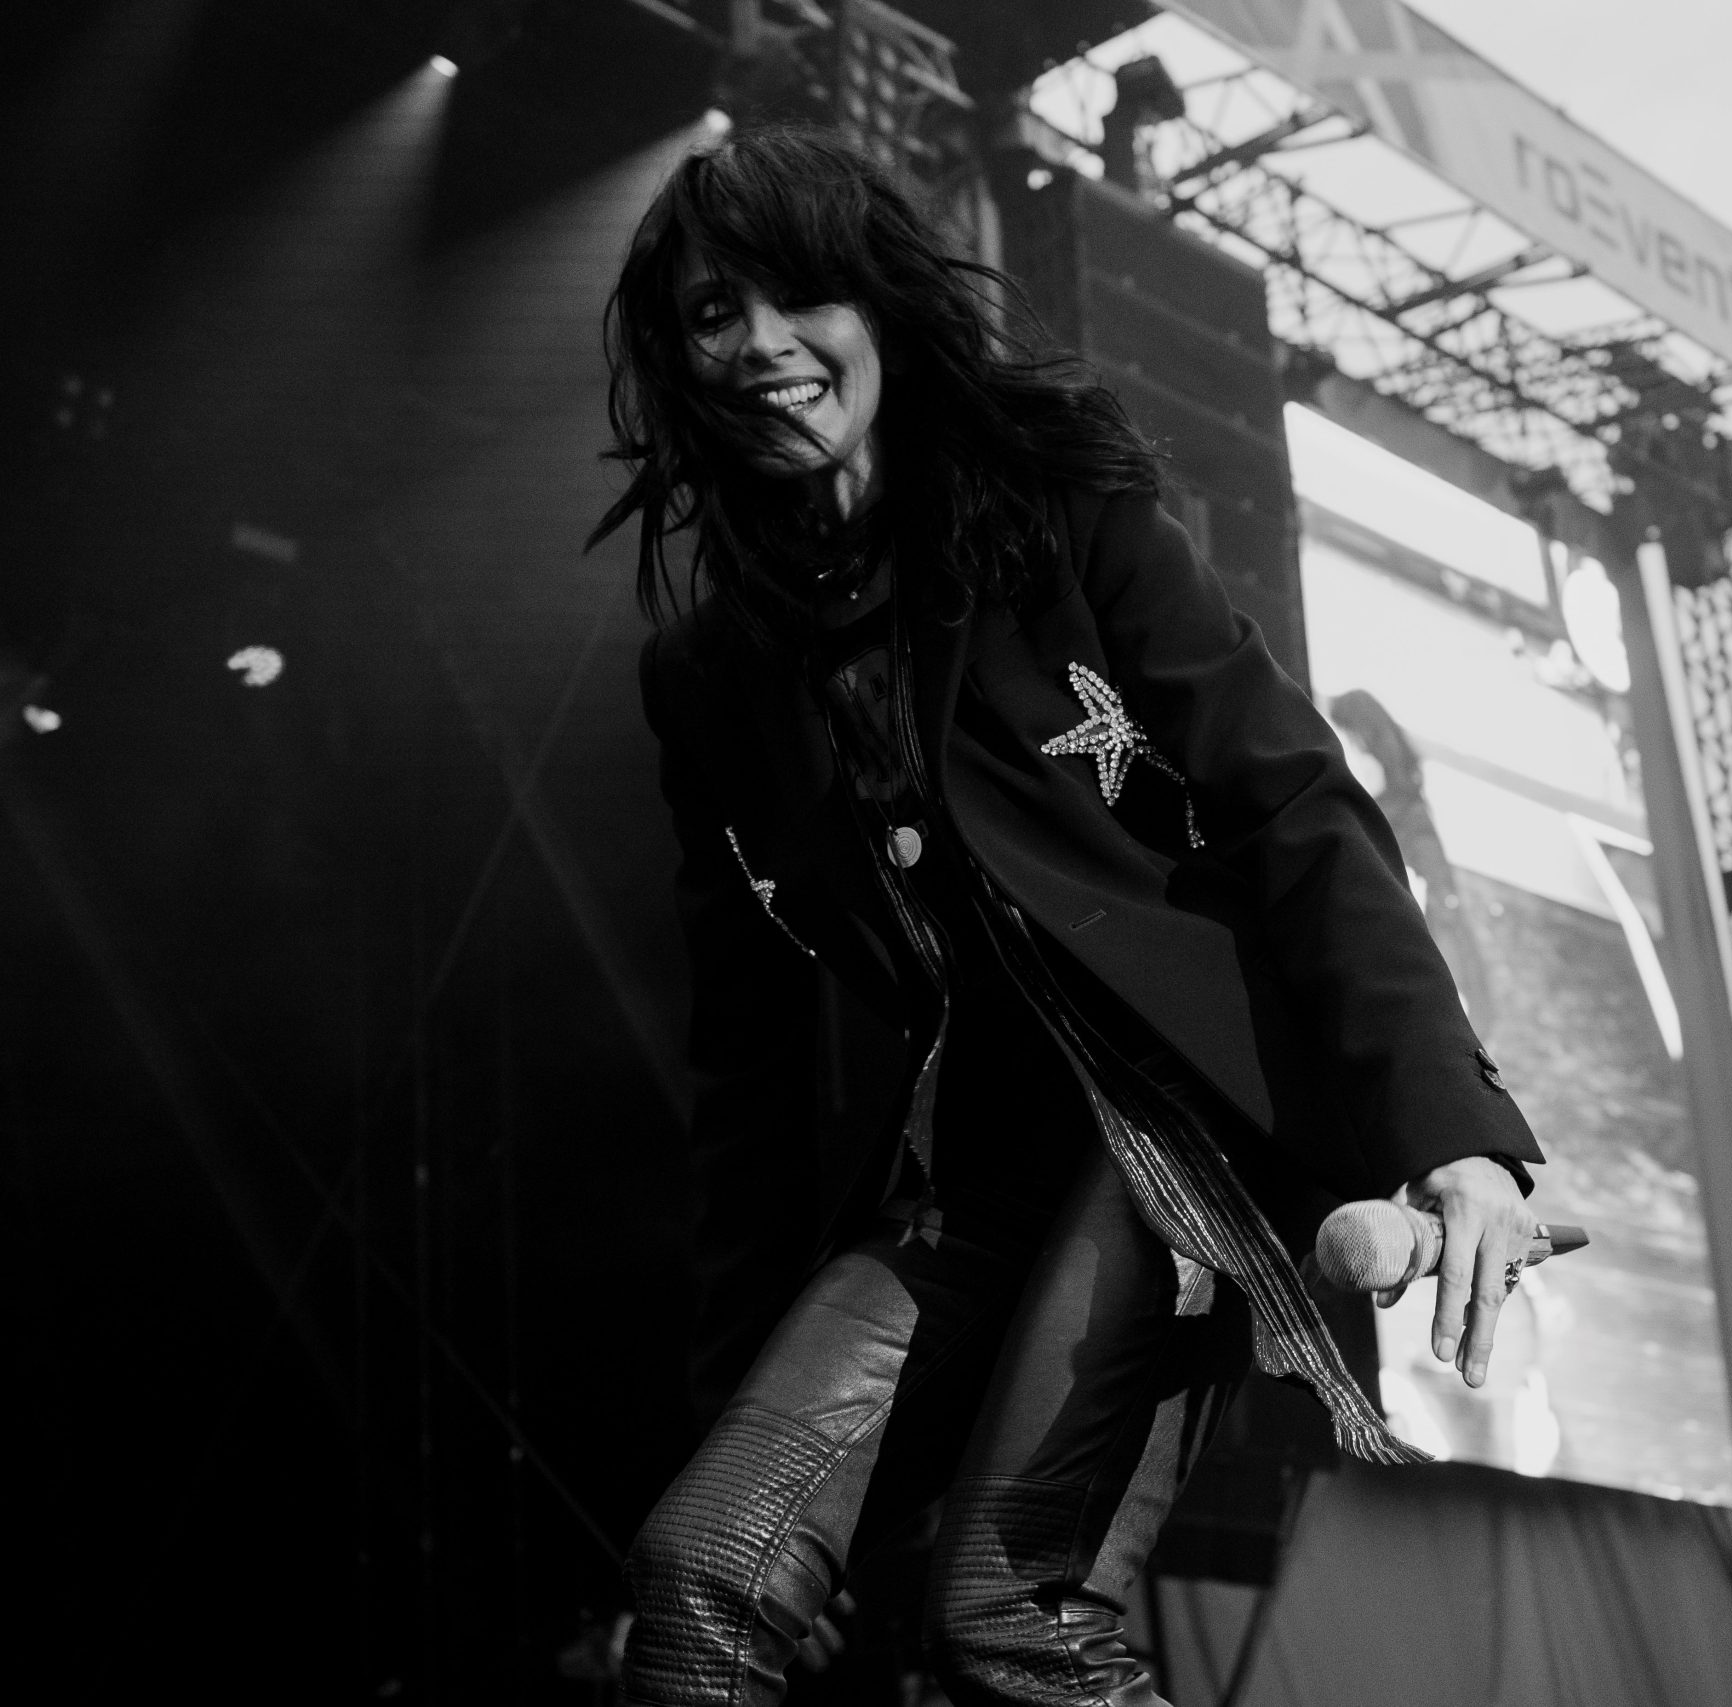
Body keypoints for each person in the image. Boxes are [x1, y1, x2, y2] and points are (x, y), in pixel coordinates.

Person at [596, 125, 1546, 1707]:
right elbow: (747, 1076)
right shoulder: (708, 682)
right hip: (968, 1173)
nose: (761, 343)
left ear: (876, 306)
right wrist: (749, 1433)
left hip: (1178, 1143)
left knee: (1009, 1616)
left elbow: (1296, 804)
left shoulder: (1055, 513)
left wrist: (1454, 1130)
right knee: (703, 1581)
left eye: (798, 294)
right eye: (712, 315)